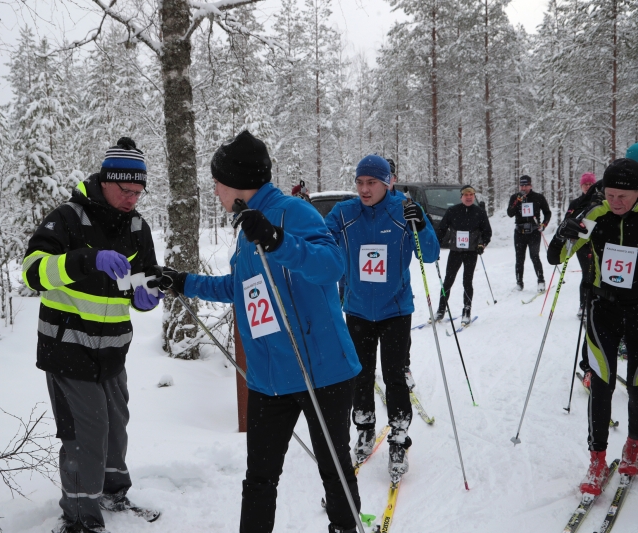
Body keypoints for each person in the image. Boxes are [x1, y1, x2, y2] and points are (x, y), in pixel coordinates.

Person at [149, 131, 362, 533]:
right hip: (270, 378)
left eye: (217, 182)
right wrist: (183, 282)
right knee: (260, 479)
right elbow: (241, 288)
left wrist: (277, 240)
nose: (214, 190)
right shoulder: (246, 228)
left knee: (334, 471)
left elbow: (332, 266)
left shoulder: (292, 214)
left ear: (239, 181)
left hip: (323, 371)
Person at [22, 137, 163, 533]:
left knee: (116, 425)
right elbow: (33, 270)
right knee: (87, 431)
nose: (133, 198)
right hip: (66, 348)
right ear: (105, 181)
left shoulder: (137, 227)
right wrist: (85, 259)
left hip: (113, 351)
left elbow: (145, 279)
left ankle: (113, 492)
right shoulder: (66, 218)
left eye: (139, 192)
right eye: (126, 190)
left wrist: (147, 294)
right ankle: (81, 518)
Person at [324, 155, 440, 482]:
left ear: (387, 181)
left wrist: (422, 223)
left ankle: (399, 438)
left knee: (394, 375)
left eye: (371, 182)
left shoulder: (403, 209)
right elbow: (319, 237)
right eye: (360, 182)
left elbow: (429, 254)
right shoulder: (345, 213)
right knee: (359, 375)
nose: (364, 188)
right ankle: (364, 428)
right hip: (358, 309)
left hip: (396, 310)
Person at [548, 158, 638, 495]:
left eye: (623, 197)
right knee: (601, 386)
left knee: (637, 386)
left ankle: (633, 444)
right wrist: (564, 233)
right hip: (604, 310)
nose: (615, 202)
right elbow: (556, 258)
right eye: (610, 194)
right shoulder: (595, 215)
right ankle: (597, 460)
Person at [434, 185, 492, 325]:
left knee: (467, 281)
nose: (468, 197)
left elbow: (487, 232)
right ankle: (441, 310)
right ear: (461, 197)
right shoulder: (453, 211)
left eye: (471, 195)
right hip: (455, 251)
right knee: (448, 280)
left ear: (474, 197)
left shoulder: (479, 212)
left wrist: (482, 244)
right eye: (466, 195)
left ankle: (467, 311)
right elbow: (441, 229)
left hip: (471, 252)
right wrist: (436, 246)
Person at [507, 175, 551, 291]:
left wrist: (544, 224)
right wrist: (517, 201)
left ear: (530, 185)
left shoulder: (538, 197)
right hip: (519, 232)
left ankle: (541, 281)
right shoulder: (514, 197)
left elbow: (547, 212)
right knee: (519, 258)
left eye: (526, 185)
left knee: (534, 256)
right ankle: (519, 283)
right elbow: (510, 213)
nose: (524, 188)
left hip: (534, 231)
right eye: (522, 185)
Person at [564, 173, 597, 319]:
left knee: (597, 274)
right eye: (585, 184)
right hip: (582, 244)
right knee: (587, 273)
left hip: (598, 242)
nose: (588, 187)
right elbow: (567, 221)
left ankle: (597, 304)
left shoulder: (599, 201)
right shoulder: (575, 203)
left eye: (590, 184)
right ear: (581, 186)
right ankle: (583, 304)